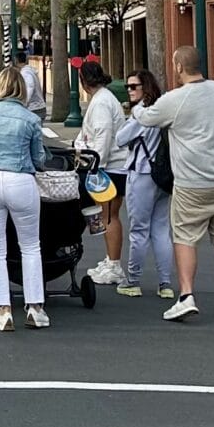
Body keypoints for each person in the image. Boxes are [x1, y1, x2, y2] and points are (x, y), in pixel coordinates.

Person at [133, 45, 214, 323]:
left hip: (192, 183)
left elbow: (147, 119)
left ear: (178, 67)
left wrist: (137, 105)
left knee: (185, 237)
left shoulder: (177, 99)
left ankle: (186, 296)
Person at [0, 79, 51, 331]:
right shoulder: (30, 119)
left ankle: (3, 310)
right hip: (22, 180)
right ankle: (35, 306)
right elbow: (39, 158)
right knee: (30, 246)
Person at [115, 68, 176, 300]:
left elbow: (121, 138)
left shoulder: (141, 113)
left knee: (139, 229)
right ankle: (165, 283)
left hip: (141, 173)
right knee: (161, 230)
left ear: (145, 88)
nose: (129, 91)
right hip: (162, 176)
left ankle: (133, 279)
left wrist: (132, 117)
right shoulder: (163, 110)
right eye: (127, 87)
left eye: (133, 87)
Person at [77, 60, 130, 288]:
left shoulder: (100, 104)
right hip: (112, 165)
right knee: (109, 215)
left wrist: (94, 165)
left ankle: (115, 265)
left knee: (109, 216)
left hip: (110, 167)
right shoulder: (105, 99)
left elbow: (103, 136)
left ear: (83, 81)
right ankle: (111, 260)